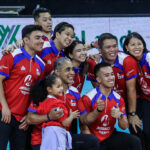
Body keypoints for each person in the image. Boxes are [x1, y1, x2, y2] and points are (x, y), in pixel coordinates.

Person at [26, 57, 100, 150]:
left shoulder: (75, 92)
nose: (72, 72)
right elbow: (29, 119)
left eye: (73, 69)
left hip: (63, 138)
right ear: (57, 72)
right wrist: (48, 117)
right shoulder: (45, 91)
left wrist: (98, 110)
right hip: (42, 141)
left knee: (91, 141)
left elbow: (84, 119)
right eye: (67, 69)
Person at [0, 24, 46, 150]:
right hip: (3, 113)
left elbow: (37, 92)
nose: (41, 41)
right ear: (26, 40)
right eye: (37, 38)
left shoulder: (41, 64)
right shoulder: (11, 55)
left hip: (22, 119)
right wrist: (4, 107)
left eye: (42, 38)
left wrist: (29, 114)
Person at [87, 33, 141, 134]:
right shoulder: (93, 63)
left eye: (115, 46)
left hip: (128, 98)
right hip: (108, 99)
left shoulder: (127, 60)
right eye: (108, 47)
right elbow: (98, 89)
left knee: (136, 129)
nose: (112, 50)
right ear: (100, 50)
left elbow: (131, 89)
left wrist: (132, 114)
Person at [82, 62, 142, 150]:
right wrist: (91, 143)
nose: (111, 78)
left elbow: (124, 126)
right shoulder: (88, 98)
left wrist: (120, 116)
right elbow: (83, 126)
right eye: (107, 75)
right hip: (93, 138)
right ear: (98, 79)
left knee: (134, 141)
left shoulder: (118, 98)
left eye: (112, 74)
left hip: (110, 136)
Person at [30, 74, 79, 150]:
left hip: (40, 141)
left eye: (61, 86)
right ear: (49, 89)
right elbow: (65, 123)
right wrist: (72, 116)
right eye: (58, 87)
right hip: (55, 139)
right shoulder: (58, 104)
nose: (62, 89)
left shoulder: (41, 103)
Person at [123, 32, 150, 150]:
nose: (137, 47)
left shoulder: (148, 59)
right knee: (138, 129)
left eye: (139, 44)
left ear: (144, 46)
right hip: (145, 99)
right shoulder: (129, 61)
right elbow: (107, 52)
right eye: (133, 44)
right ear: (126, 48)